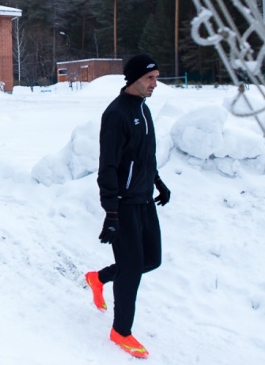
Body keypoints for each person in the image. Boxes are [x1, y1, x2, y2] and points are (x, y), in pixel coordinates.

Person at [85, 54, 171, 359]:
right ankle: (120, 331)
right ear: (134, 78)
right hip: (123, 203)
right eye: (150, 78)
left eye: (156, 78)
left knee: (152, 260)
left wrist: (157, 181)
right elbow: (108, 166)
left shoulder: (143, 108)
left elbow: (144, 154)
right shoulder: (117, 114)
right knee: (132, 269)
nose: (155, 84)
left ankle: (98, 278)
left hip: (144, 199)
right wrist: (111, 212)